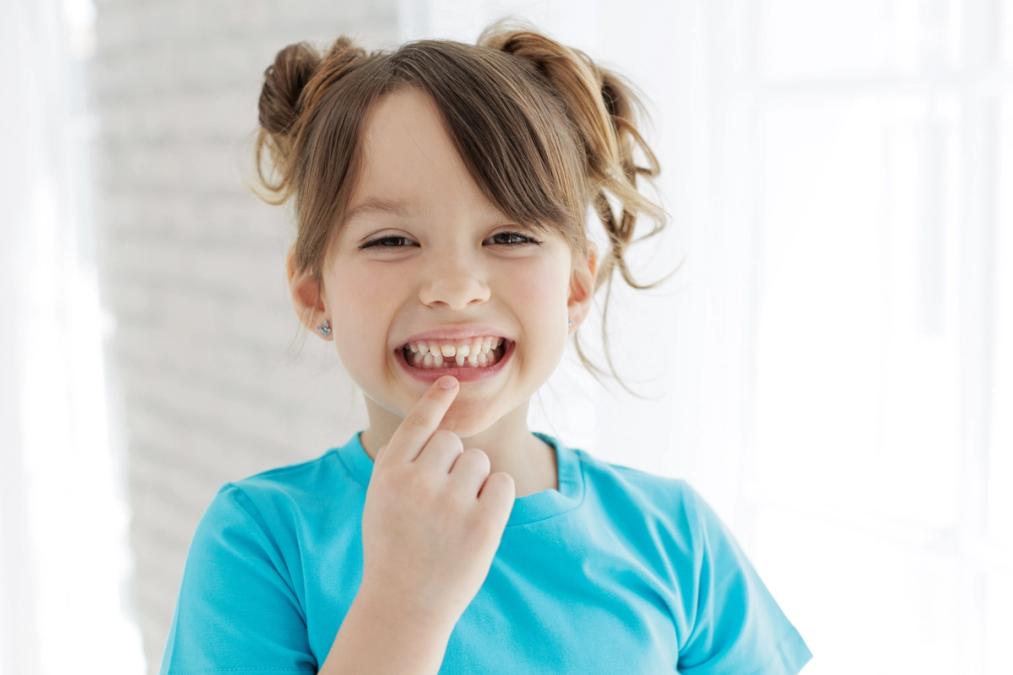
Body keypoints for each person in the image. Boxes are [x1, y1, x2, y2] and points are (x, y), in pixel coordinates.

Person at [159, 17, 813, 675]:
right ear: (313, 294)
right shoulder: (261, 539)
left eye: (508, 237)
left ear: (575, 286)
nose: (454, 288)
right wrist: (402, 602)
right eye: (390, 240)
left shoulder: (675, 535)